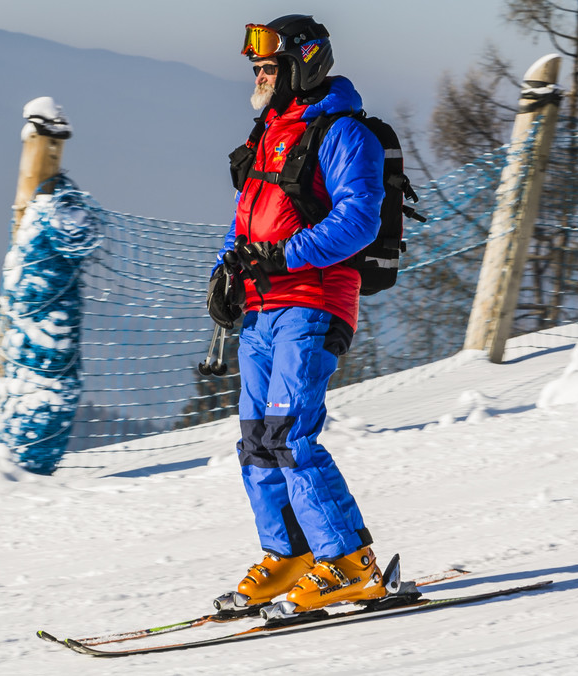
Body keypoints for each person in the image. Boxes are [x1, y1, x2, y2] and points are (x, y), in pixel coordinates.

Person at [207, 14, 387, 613]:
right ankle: (290, 555)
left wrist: (283, 256)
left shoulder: (341, 133)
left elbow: (359, 218)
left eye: (268, 67)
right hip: (261, 308)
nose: (258, 77)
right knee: (257, 439)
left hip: (310, 304)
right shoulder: (268, 131)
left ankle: (346, 563)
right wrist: (226, 270)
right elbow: (246, 219)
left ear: (302, 64)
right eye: (256, 68)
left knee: (290, 434)